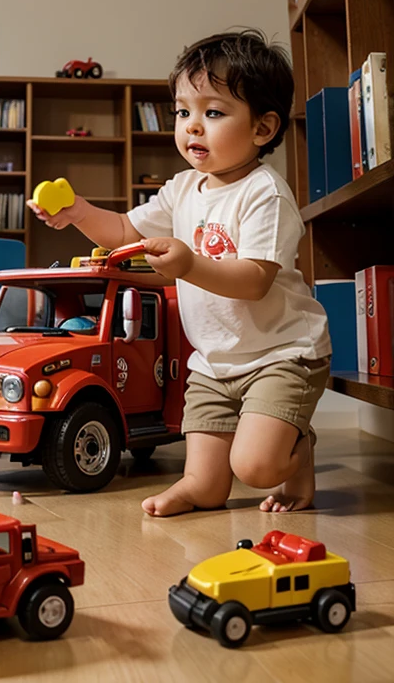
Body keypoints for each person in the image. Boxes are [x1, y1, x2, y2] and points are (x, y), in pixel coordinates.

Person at [27, 29, 331, 517]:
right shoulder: (183, 188)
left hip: (281, 354)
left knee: (253, 468)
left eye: (213, 113)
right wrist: (78, 212)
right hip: (213, 363)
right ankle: (199, 483)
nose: (192, 127)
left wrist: (189, 263)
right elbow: (124, 229)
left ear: (263, 128)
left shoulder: (265, 195)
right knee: (209, 485)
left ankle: (298, 450)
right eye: (183, 112)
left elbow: (253, 280)